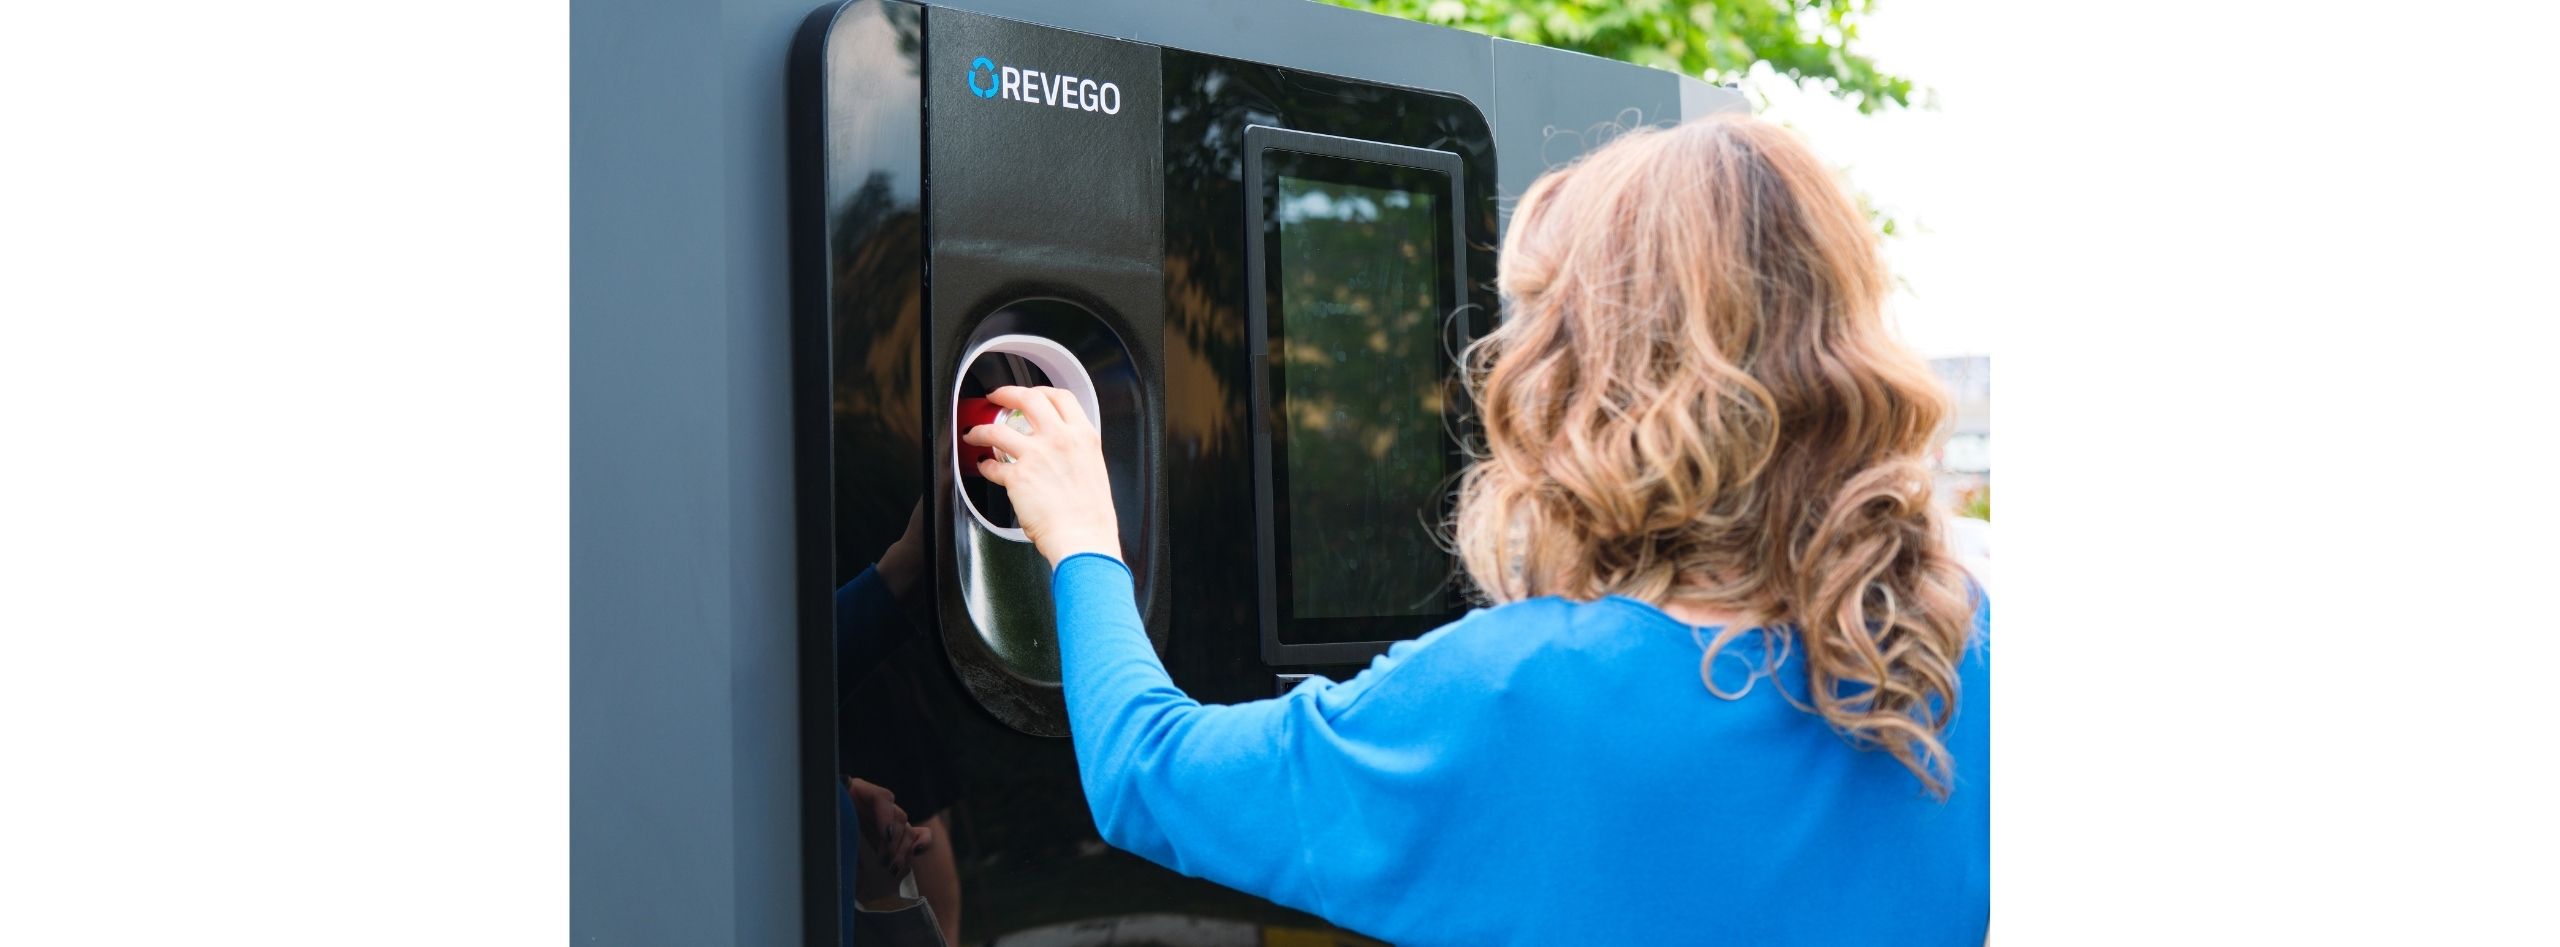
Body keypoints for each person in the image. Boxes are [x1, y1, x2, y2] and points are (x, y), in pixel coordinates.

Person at [962, 113, 1988, 945]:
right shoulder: (1959, 648)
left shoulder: (1519, 692)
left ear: (1590, 366)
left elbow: (1149, 770)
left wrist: (1082, 533)